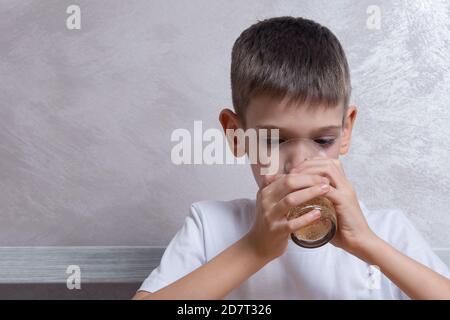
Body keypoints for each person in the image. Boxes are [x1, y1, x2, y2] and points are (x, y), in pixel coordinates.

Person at [133, 16, 450, 299]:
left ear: (346, 131)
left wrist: (369, 245)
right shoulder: (210, 227)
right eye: (272, 140)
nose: (299, 163)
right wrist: (253, 250)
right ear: (235, 134)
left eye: (323, 140)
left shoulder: (387, 231)